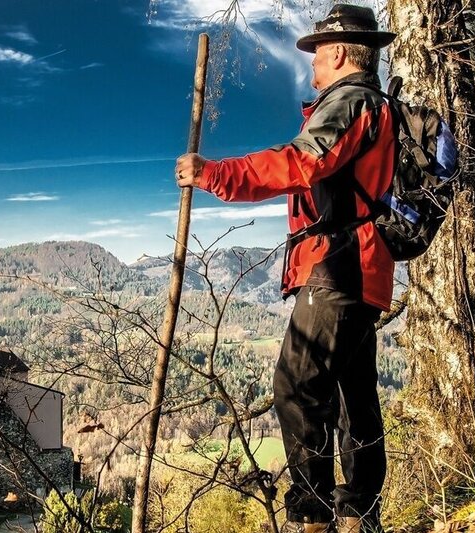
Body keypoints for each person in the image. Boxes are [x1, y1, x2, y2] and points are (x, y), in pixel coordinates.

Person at [175, 4, 397, 533]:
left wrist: (215, 174)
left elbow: (301, 162)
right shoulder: (377, 107)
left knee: (296, 387)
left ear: (339, 52)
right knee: (352, 397)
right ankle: (360, 514)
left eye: (318, 54)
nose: (312, 66)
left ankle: (315, 517)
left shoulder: (347, 104)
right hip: (367, 266)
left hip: (339, 267)